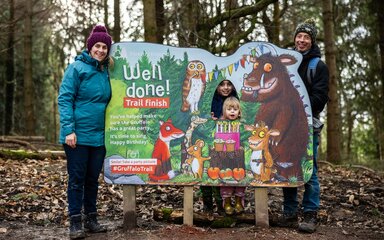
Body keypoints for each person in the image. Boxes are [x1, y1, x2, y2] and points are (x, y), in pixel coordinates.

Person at [58, 25, 112, 239]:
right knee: (77, 178)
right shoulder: (76, 68)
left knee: (92, 179)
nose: (100, 50)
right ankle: (75, 222)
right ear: (90, 47)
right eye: (97, 46)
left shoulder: (107, 71)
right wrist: (69, 130)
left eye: (104, 47)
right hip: (77, 136)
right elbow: (65, 99)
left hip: (98, 137)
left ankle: (91, 219)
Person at [278, 18, 329, 233]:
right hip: (285, 125)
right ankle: (289, 212)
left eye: (306, 37)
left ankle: (310, 213)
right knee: (286, 166)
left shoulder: (318, 66)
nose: (301, 40)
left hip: (308, 125)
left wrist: (298, 106)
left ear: (312, 41)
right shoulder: (287, 62)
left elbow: (320, 97)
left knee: (310, 169)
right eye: (299, 36)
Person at [200, 80, 238, 215]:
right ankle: (207, 206)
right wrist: (209, 119)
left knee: (221, 173)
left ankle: (221, 205)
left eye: (229, 84)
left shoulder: (236, 100)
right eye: (222, 84)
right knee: (208, 171)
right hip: (210, 140)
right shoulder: (209, 100)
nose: (226, 88)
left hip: (229, 143)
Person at [219, 96, 246, 215]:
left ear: (239, 111)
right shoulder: (219, 123)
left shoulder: (242, 124)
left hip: (238, 157)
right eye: (229, 109)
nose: (232, 111)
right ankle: (228, 201)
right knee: (226, 177)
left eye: (235, 109)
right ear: (224, 111)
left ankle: (239, 200)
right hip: (225, 157)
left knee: (240, 178)